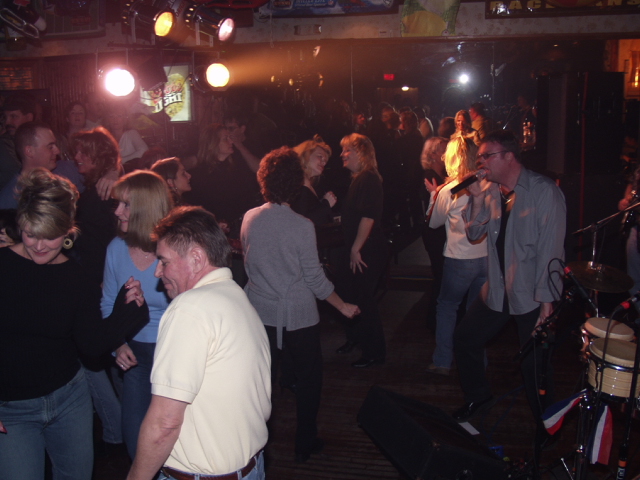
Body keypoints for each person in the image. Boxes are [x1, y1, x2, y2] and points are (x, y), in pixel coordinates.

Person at [0, 168, 148, 480]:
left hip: (70, 400)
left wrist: (125, 312)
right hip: (12, 410)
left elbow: (91, 345)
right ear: (20, 224)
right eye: (31, 234)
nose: (40, 246)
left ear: (68, 231)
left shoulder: (76, 277)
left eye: (51, 236)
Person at [126, 206, 271, 480]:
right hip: (250, 468)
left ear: (196, 258)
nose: (157, 272)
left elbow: (165, 423)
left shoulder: (189, 309)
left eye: (164, 261)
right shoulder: (237, 297)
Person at [241, 147, 359, 463]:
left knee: (262, 382)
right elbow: (315, 279)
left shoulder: (250, 218)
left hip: (259, 313)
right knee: (309, 379)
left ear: (264, 180)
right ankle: (305, 442)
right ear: (295, 183)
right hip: (298, 315)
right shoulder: (301, 225)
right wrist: (342, 306)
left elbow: (250, 266)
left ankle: (257, 444)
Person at [452, 130, 566, 426]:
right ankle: (478, 396)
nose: (480, 163)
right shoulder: (490, 190)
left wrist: (547, 304)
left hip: (531, 292)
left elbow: (551, 251)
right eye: (478, 157)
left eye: (486, 156)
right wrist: (477, 199)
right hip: (498, 287)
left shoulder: (543, 192)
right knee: (465, 337)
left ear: (509, 157)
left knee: (534, 366)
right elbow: (474, 233)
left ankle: (548, 425)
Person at [103, 170, 173, 460]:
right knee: (135, 442)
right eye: (117, 204)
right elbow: (107, 303)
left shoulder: (175, 250)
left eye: (126, 205)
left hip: (173, 355)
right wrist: (117, 344)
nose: (117, 211)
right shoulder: (116, 249)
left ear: (146, 208)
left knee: (172, 442)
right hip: (136, 359)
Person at [426, 136, 486, 376]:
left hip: (459, 258)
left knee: (447, 307)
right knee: (477, 313)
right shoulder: (487, 184)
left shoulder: (450, 191)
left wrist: (433, 196)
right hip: (486, 258)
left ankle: (443, 361)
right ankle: (477, 363)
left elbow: (433, 223)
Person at [335, 133, 388, 368]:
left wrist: (356, 248)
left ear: (362, 152)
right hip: (361, 247)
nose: (342, 154)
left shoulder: (368, 179)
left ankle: (374, 352)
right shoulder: (360, 179)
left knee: (364, 299)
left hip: (368, 249)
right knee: (351, 293)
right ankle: (356, 339)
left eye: (347, 150)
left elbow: (368, 217)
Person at [183, 123, 261, 236]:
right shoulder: (199, 173)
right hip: (213, 230)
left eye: (230, 138)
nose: (231, 141)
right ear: (213, 143)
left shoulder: (237, 166)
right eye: (225, 139)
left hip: (241, 226)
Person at [420, 136, 449, 326]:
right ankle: (434, 319)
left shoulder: (441, 176)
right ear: (433, 155)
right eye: (443, 150)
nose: (447, 154)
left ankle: (436, 318)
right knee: (440, 274)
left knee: (441, 275)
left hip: (439, 232)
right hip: (435, 233)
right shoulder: (429, 177)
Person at [290, 135, 337, 226]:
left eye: (325, 161)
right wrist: (326, 204)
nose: (324, 162)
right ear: (306, 156)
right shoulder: (299, 184)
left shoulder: (307, 184)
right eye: (320, 157)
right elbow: (302, 221)